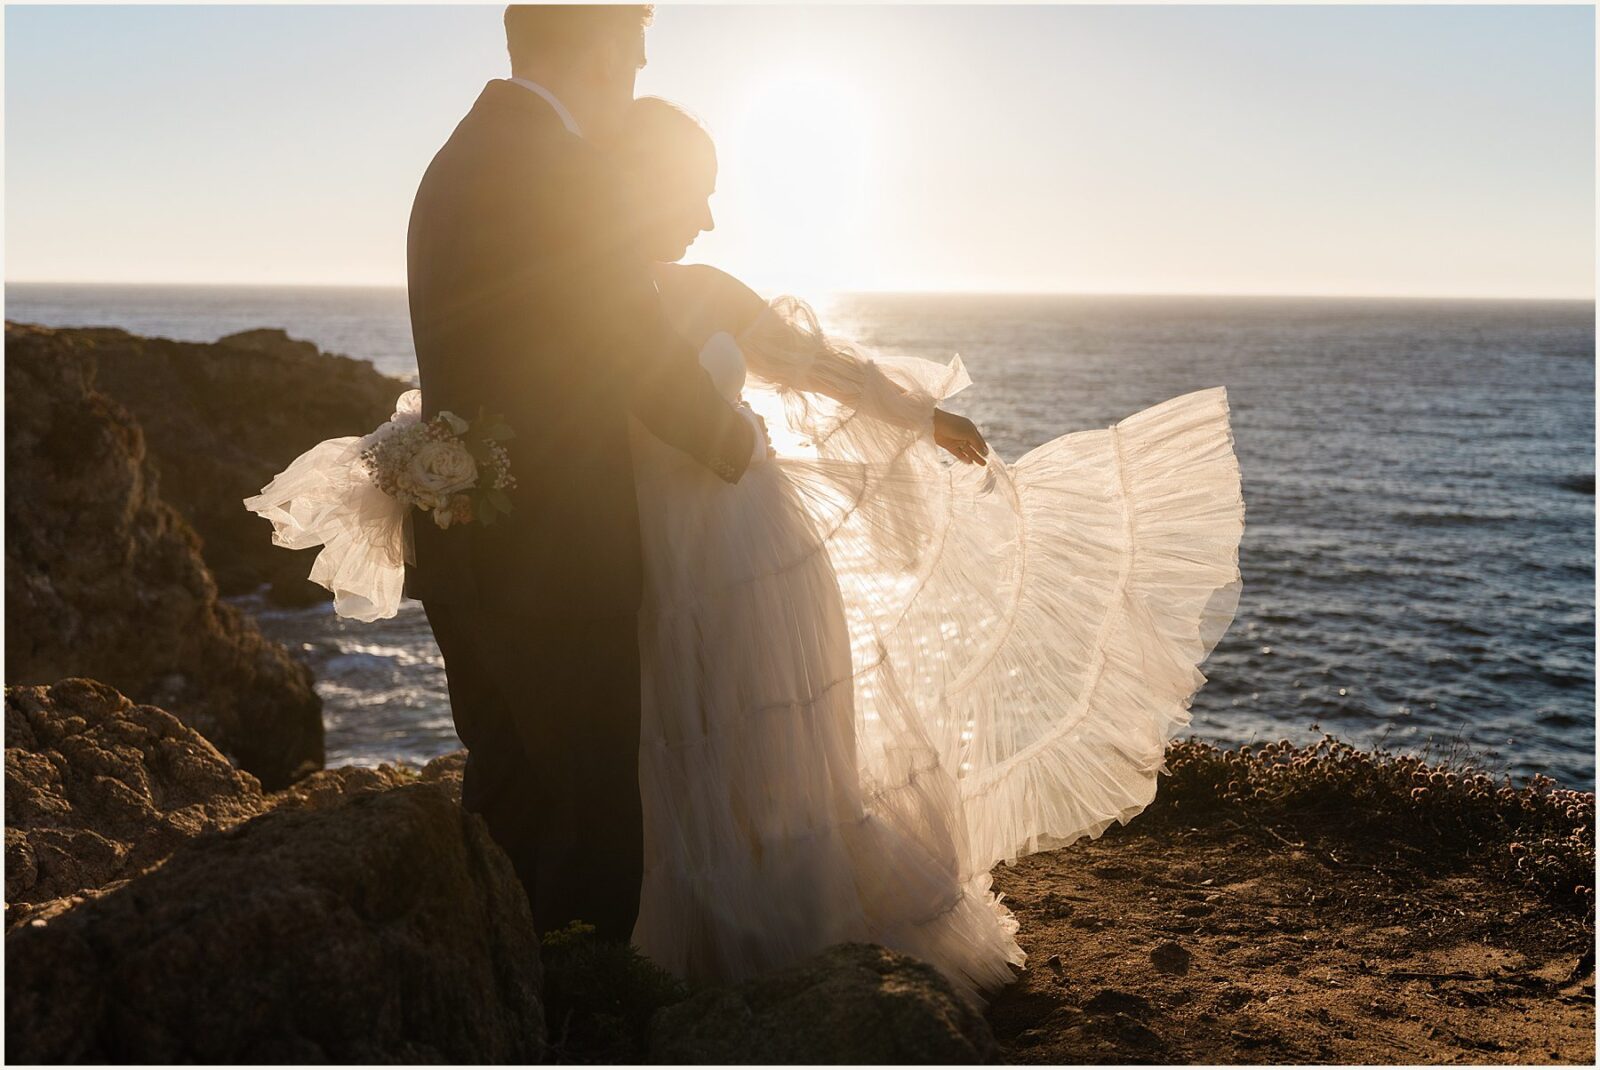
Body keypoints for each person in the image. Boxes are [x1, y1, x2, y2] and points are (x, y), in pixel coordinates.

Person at [609, 98, 1246, 1000]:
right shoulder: (574, 298)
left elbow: (820, 366)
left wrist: (926, 416)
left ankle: (787, 927)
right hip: (638, 551)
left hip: (747, 546)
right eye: (696, 193)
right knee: (673, 735)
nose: (708, 217)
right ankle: (684, 934)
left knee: (771, 737)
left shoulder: (709, 288)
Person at [403, 6, 767, 942]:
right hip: (556, 553)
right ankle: (582, 1025)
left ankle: (503, 1009)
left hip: (468, 536)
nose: (636, 83)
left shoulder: (458, 156)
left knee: (512, 798)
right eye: (636, 63)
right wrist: (730, 442)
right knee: (594, 817)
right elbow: (629, 346)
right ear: (603, 55)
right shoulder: (564, 172)